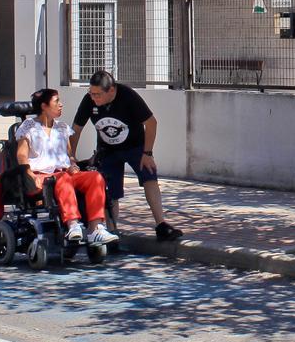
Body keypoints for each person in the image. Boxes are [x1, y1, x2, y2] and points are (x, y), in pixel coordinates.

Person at [70, 70, 183, 242]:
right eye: (91, 93)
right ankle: (112, 230)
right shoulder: (89, 100)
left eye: (98, 94)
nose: (94, 98)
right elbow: (76, 129)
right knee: (110, 190)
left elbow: (151, 123)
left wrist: (147, 153)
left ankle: (161, 224)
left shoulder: (127, 96)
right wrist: (71, 156)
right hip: (107, 149)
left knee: (149, 176)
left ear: (111, 90)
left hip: (135, 147)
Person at [16, 88, 119, 246]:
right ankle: (72, 225)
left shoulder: (62, 128)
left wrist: (73, 164)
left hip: (65, 174)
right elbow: (21, 155)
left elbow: (70, 155)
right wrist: (29, 174)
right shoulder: (29, 127)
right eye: (56, 101)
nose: (61, 104)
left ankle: (95, 229)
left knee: (95, 177)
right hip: (42, 177)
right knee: (63, 178)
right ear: (44, 106)